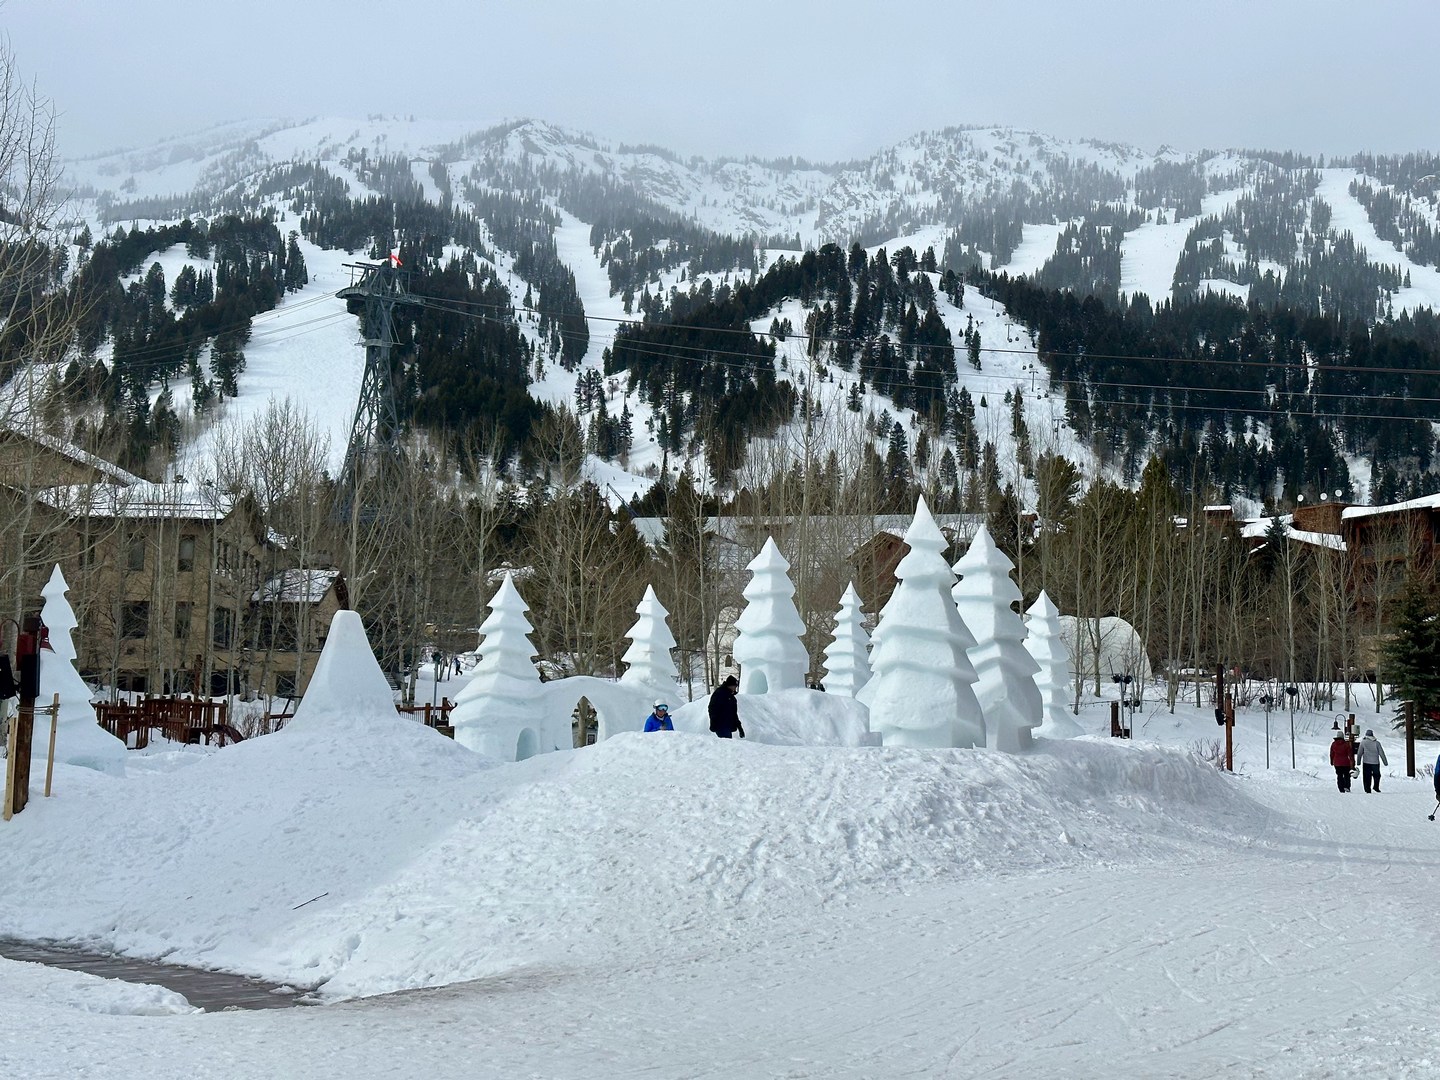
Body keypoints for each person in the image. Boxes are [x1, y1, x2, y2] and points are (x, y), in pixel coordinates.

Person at [708, 674, 744, 739]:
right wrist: (713, 722)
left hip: (727, 726)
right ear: (730, 685)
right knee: (726, 746)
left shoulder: (731, 696)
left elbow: (733, 713)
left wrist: (740, 728)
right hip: (721, 726)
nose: (735, 688)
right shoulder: (719, 693)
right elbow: (712, 709)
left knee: (727, 745)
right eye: (735, 686)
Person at [1357, 729, 1388, 793]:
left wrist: (1358, 762)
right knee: (1377, 775)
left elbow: (1359, 753)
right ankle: (1376, 786)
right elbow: (1381, 753)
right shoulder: (1377, 743)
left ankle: (1367, 789)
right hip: (1375, 762)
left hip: (1366, 762)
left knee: (1366, 776)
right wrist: (1385, 762)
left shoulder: (1363, 742)